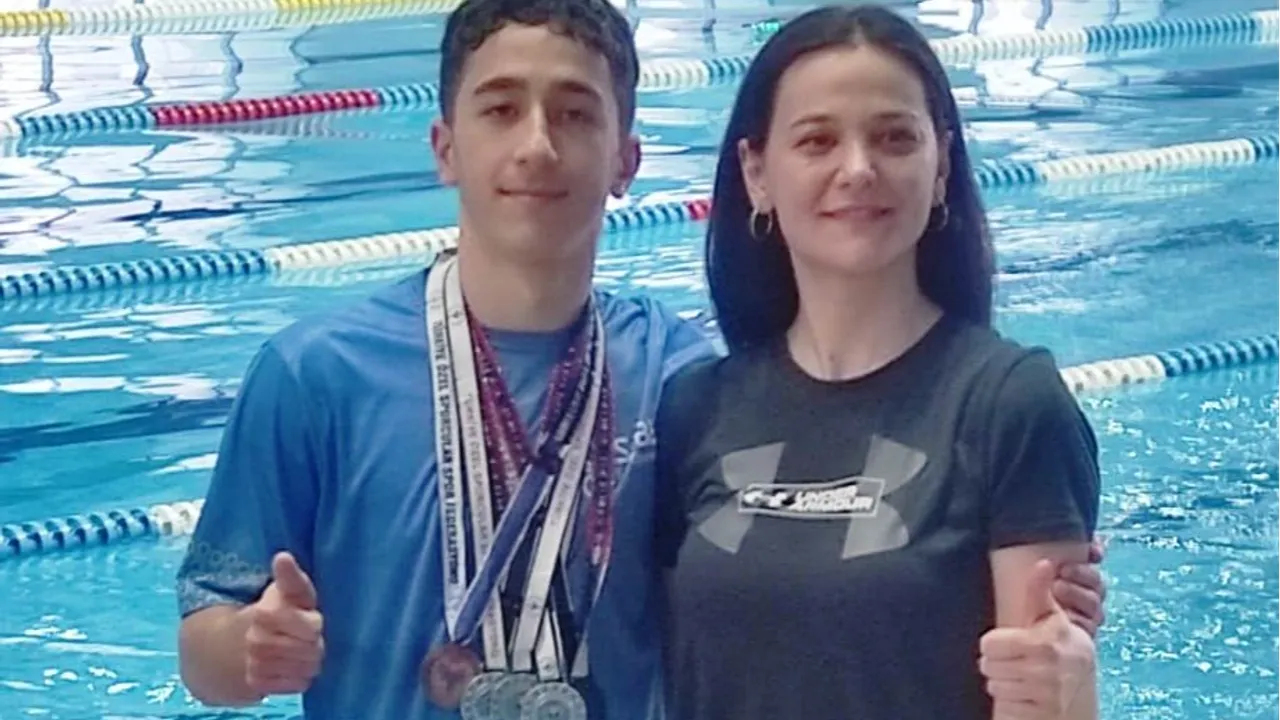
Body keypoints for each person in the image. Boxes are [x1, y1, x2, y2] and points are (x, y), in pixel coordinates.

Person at [174, 1, 1108, 719]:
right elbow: (203, 650)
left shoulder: (681, 379)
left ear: (627, 159)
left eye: (575, 113)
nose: (537, 145)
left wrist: (1017, 610)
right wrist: (248, 650)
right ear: (445, 147)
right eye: (501, 109)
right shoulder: (314, 376)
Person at [654, 5, 1103, 720]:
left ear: (941, 164)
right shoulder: (694, 408)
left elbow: (1044, 696)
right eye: (818, 140)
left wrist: (1072, 695)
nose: (859, 169)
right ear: (756, 173)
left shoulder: (1008, 404)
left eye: (895, 138)